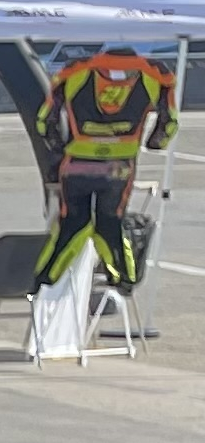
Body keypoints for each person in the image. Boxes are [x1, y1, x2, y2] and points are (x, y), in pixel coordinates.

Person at [36, 43, 179, 289]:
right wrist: (155, 142)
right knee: (111, 222)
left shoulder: (75, 70)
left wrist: (58, 147)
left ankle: (43, 281)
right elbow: (169, 122)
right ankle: (123, 278)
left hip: (77, 162)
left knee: (72, 223)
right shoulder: (155, 74)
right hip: (119, 166)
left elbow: (45, 121)